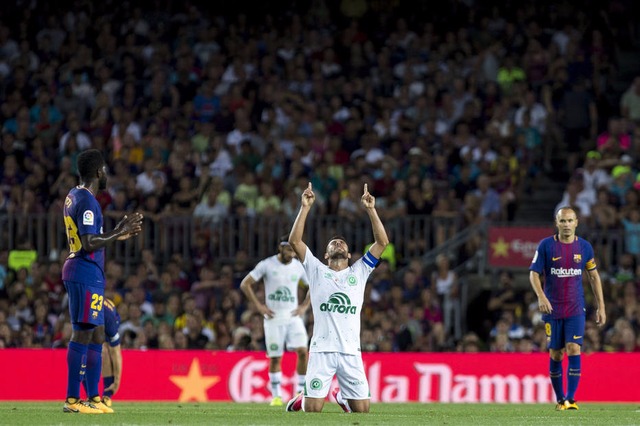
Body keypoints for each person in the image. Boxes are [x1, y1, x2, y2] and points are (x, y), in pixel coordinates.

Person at [285, 182, 389, 413]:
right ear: (326, 254)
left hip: (351, 350)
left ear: (350, 254)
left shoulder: (359, 271)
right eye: (333, 243)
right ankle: (305, 397)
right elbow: (295, 242)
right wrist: (305, 207)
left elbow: (382, 243)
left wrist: (371, 210)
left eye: (342, 243)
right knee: (313, 410)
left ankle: (342, 396)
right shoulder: (316, 269)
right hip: (322, 349)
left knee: (362, 411)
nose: (338, 243)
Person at [62, 149, 143, 414]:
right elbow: (89, 242)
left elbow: (93, 238)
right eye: (105, 169)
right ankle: (73, 400)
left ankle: (94, 398)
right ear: (98, 172)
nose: (106, 173)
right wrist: (118, 231)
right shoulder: (87, 200)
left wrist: (114, 236)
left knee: (97, 334)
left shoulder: (74, 196)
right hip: (84, 270)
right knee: (82, 333)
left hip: (89, 271)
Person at [529, 206, 606, 411]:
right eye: (562, 221)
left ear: (576, 223)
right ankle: (560, 397)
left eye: (570, 221)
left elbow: (593, 276)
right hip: (552, 310)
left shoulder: (585, 247)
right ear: (557, 223)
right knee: (556, 354)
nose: (566, 225)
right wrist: (541, 296)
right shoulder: (546, 246)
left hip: (575, 308)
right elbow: (534, 274)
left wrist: (601, 307)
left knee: (574, 349)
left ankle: (570, 399)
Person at [239, 235, 310, 406]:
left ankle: (300, 392)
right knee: (275, 357)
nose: (292, 254)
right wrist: (259, 306)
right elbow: (245, 284)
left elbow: (312, 286)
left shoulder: (298, 267)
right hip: (273, 317)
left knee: (302, 351)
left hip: (293, 316)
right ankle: (276, 396)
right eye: (289, 250)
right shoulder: (267, 264)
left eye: (293, 250)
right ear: (281, 248)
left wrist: (304, 307)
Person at [82, 297, 122, 409]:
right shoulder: (82, 314)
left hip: (110, 317)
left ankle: (107, 395)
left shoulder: (109, 321)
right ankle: (91, 396)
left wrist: (117, 381)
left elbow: (116, 353)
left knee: (105, 351)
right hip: (91, 322)